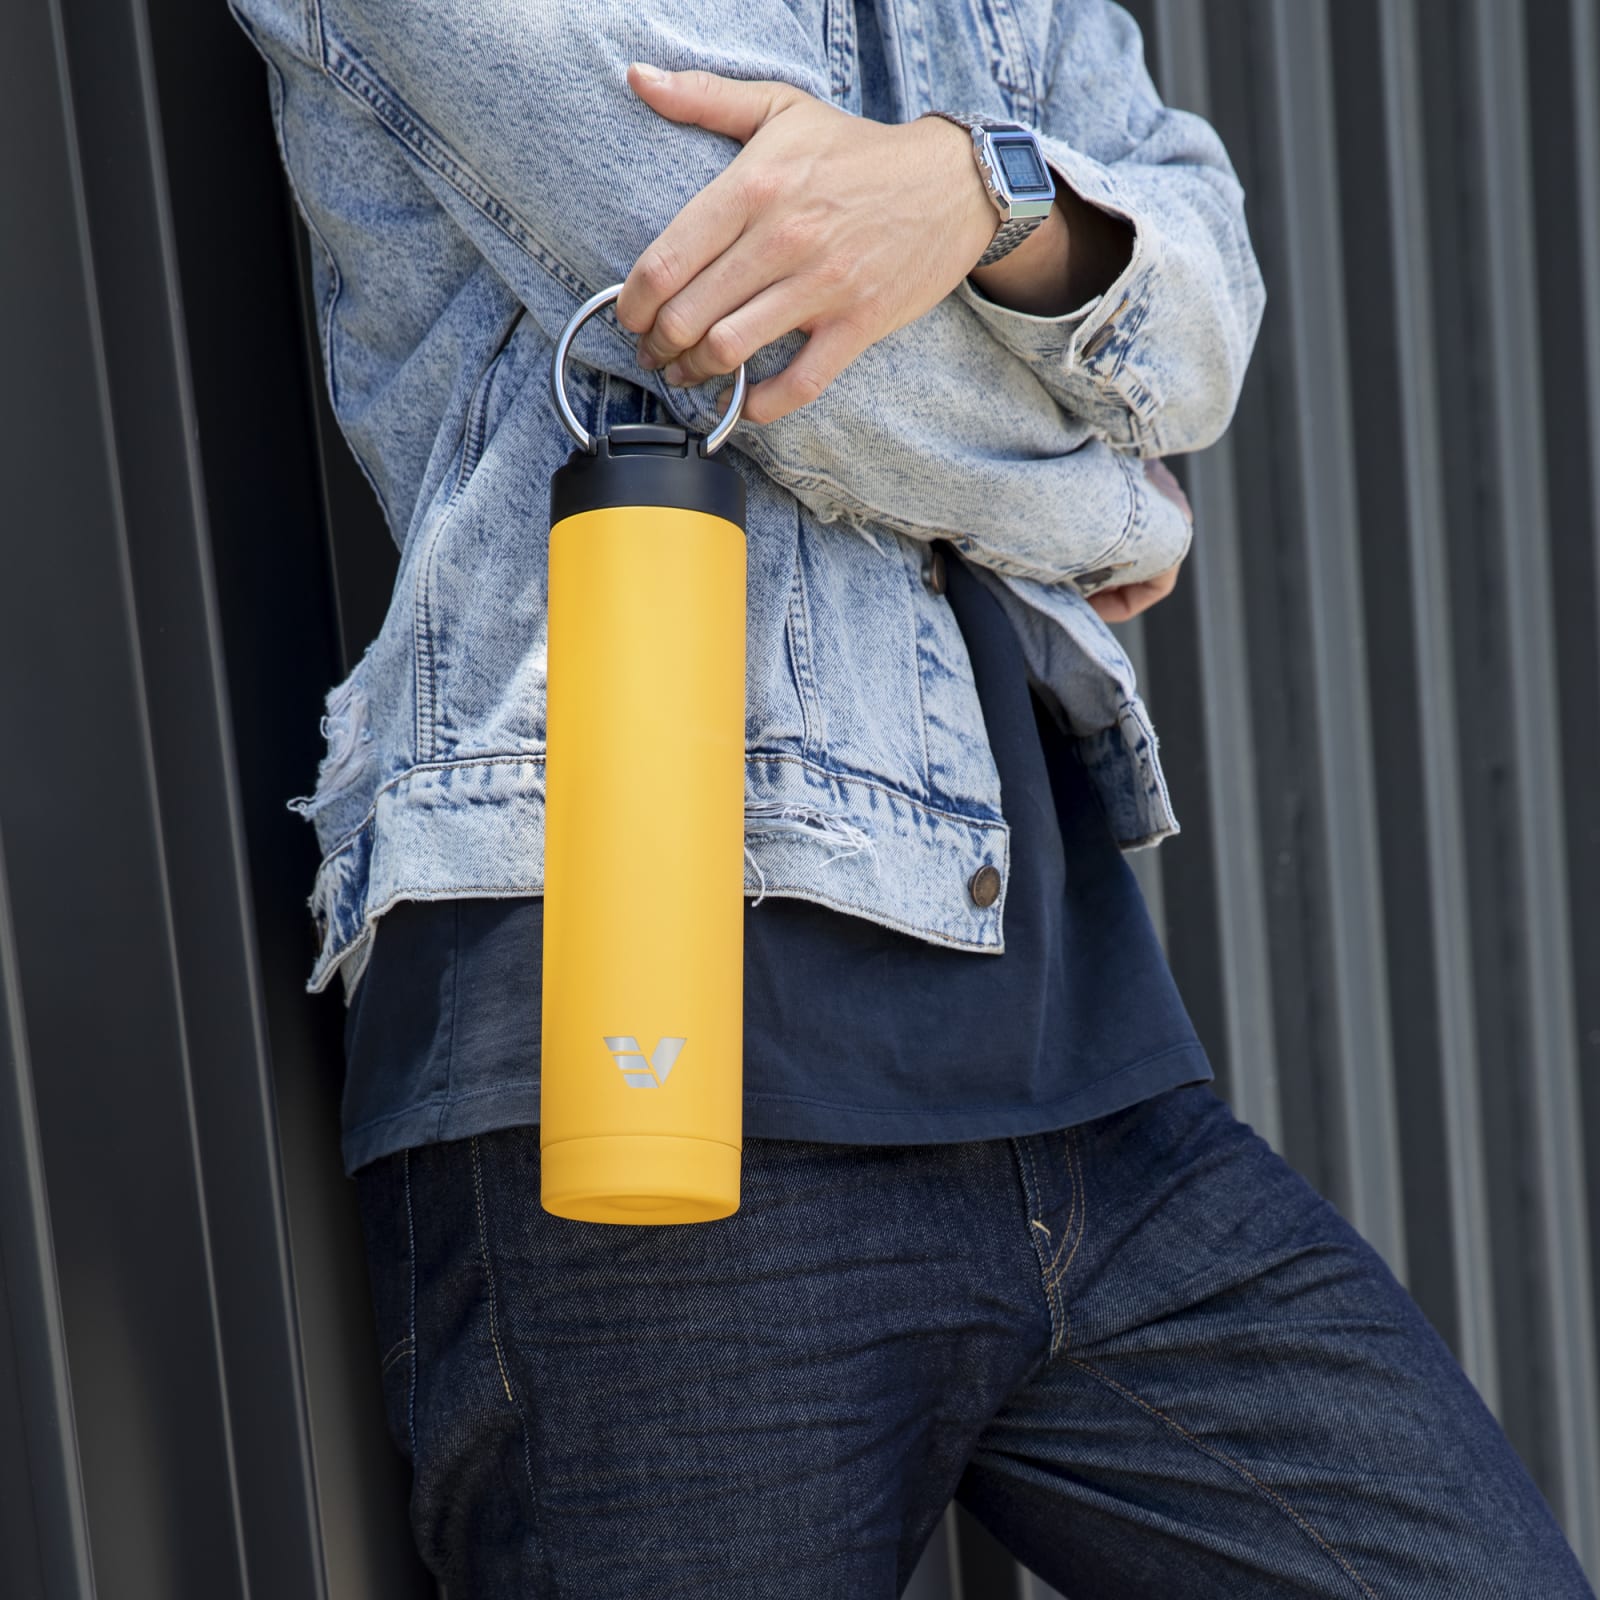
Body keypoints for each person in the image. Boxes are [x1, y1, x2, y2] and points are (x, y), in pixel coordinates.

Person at [226, 0, 1596, 1593]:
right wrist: (1114, 512)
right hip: (663, 1091)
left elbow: (1206, 306)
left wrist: (975, 189)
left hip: (1079, 1070)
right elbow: (762, 342)